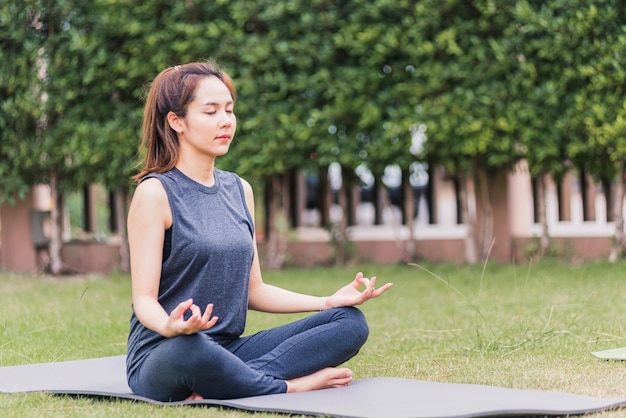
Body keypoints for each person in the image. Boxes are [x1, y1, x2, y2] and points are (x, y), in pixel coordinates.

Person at [125, 61, 393, 402]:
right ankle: (287, 385)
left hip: (231, 350)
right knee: (192, 350)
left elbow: (255, 289)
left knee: (349, 322)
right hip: (166, 353)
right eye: (210, 111)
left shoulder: (240, 190)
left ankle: (230, 380)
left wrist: (326, 301)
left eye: (229, 110)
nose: (225, 121)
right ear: (176, 121)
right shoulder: (155, 193)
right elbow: (144, 300)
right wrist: (170, 327)